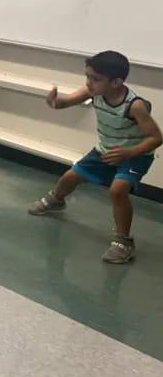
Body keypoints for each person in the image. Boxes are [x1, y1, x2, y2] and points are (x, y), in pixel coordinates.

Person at [28, 51, 162, 264]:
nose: (89, 82)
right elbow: (65, 102)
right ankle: (56, 200)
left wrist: (129, 152)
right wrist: (55, 103)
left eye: (95, 79)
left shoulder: (134, 105)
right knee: (70, 177)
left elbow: (156, 137)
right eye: (87, 76)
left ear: (116, 82)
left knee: (118, 190)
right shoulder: (94, 92)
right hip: (105, 150)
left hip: (134, 156)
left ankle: (123, 242)